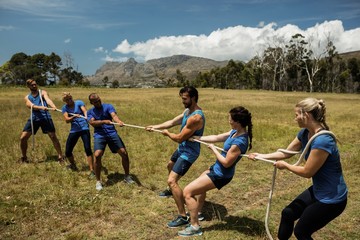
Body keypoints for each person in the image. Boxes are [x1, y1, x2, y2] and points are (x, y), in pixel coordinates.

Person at [249, 97, 348, 240]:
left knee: (301, 232)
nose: (295, 119)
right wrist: (261, 155)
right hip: (319, 190)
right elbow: (285, 153)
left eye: (296, 115)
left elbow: (308, 172)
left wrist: (286, 166)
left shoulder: (322, 140)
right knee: (288, 213)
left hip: (332, 199)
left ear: (305, 115)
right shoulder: (305, 133)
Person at [177, 106, 253, 237]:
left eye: (230, 119)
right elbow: (217, 137)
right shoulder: (234, 132)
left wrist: (213, 149)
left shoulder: (240, 141)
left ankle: (195, 227)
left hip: (221, 174)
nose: (229, 121)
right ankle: (198, 213)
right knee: (200, 187)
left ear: (238, 122)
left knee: (187, 192)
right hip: (216, 169)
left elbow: (226, 163)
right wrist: (197, 137)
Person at [145, 86, 205, 228]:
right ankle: (172, 191)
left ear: (193, 98)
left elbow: (178, 138)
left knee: (172, 181)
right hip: (182, 148)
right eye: (182, 98)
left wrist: (166, 133)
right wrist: (155, 126)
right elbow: (172, 122)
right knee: (169, 165)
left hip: (189, 153)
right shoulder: (187, 111)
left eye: (185, 99)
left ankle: (183, 216)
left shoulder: (196, 117)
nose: (182, 101)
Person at [87, 93, 135, 191]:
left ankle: (127, 176)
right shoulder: (90, 112)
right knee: (97, 155)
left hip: (112, 133)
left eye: (99, 100)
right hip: (99, 135)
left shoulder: (108, 106)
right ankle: (98, 181)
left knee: (124, 153)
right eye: (95, 102)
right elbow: (92, 123)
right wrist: (103, 121)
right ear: (92, 103)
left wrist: (118, 121)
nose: (98, 102)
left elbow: (114, 115)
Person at [20, 79, 64, 163]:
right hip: (34, 118)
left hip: (45, 117)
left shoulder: (42, 92)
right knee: (23, 138)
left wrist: (53, 106)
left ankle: (60, 156)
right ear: (28, 86)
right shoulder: (27, 97)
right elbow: (30, 105)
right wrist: (40, 107)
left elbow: (47, 100)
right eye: (32, 85)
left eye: (35, 84)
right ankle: (24, 157)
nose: (34, 86)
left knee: (53, 136)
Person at [61, 92, 95, 177]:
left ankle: (92, 170)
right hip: (74, 130)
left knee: (87, 149)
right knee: (68, 151)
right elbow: (67, 120)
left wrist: (88, 118)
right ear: (65, 101)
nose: (69, 100)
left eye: (70, 98)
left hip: (84, 128)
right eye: (67, 100)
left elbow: (85, 111)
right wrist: (73, 117)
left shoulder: (79, 103)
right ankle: (73, 165)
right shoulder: (64, 108)